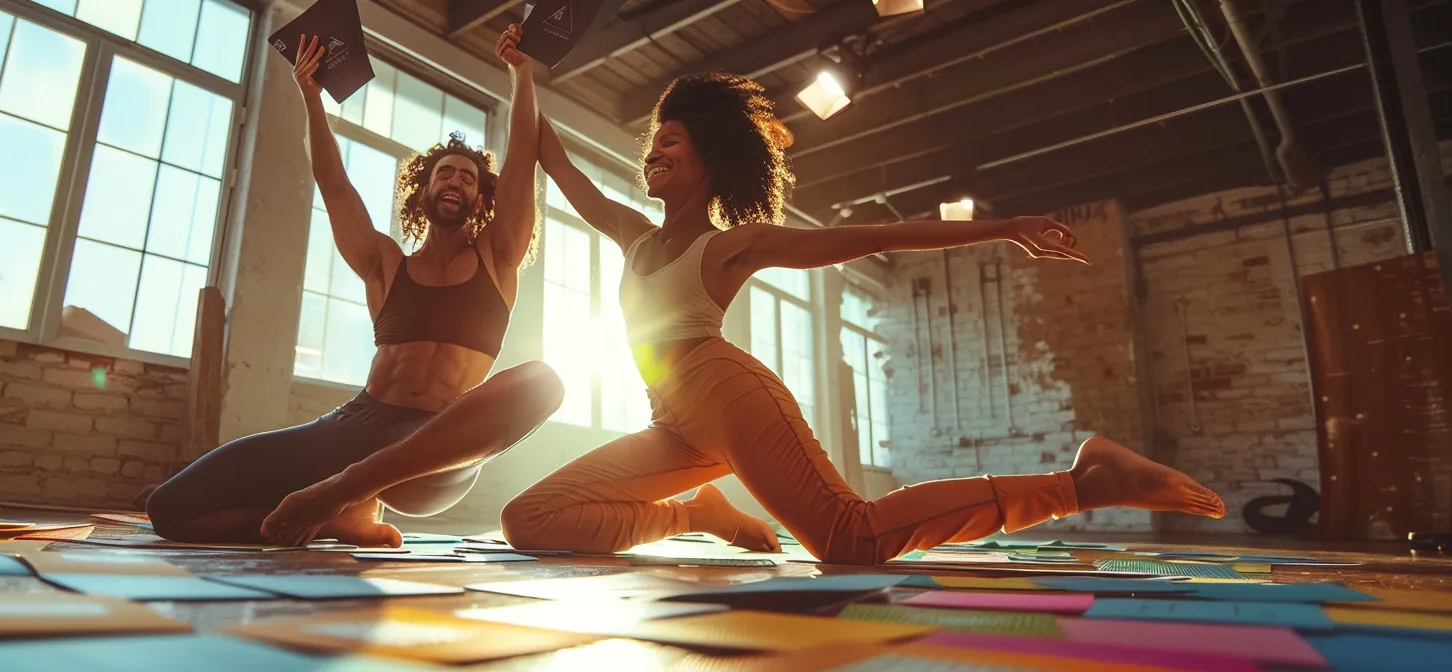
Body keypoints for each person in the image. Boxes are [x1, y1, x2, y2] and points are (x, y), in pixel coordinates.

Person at [502, 73, 1225, 564]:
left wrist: (1003, 227)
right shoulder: (634, 235)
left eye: (672, 140)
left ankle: (1084, 481)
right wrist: (523, 71)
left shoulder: (731, 247)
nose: (654, 150)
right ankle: (698, 514)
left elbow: (875, 239)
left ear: (709, 160)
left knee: (849, 538)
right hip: (672, 422)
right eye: (653, 141)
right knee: (528, 521)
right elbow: (554, 160)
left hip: (725, 395)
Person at [147, 26, 556, 547]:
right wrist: (312, 98)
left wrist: (521, 72)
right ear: (424, 189)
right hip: (354, 426)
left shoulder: (498, 260)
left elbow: (522, 154)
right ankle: (338, 517)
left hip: (434, 447)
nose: (455, 181)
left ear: (480, 201)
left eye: (468, 178)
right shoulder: (385, 264)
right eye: (445, 174)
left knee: (543, 381)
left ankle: (342, 493)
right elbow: (334, 184)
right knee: (171, 510)